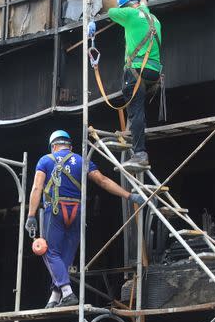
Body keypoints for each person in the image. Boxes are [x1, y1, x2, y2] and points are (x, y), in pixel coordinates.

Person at [25, 130, 146, 308]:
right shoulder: (82, 161)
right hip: (77, 212)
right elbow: (103, 181)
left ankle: (67, 292)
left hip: (56, 210)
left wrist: (31, 215)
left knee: (49, 252)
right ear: (70, 147)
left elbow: (37, 188)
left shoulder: (45, 160)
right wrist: (129, 196)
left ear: (53, 146)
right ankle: (55, 295)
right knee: (66, 256)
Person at [89, 0, 163, 171]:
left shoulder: (129, 13)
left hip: (136, 70)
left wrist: (91, 21)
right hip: (154, 72)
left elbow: (112, 12)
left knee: (136, 111)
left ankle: (140, 154)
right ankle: (136, 137)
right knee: (138, 109)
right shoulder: (155, 20)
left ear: (126, 4)